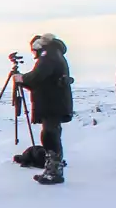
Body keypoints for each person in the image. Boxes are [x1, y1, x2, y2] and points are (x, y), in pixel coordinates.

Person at [19, 33, 75, 185]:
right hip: (54, 102)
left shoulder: (48, 55)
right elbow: (41, 79)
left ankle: (54, 171)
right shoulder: (54, 53)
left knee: (50, 136)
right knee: (51, 134)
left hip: (52, 103)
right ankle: (53, 168)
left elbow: (39, 76)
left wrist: (22, 78)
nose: (34, 55)